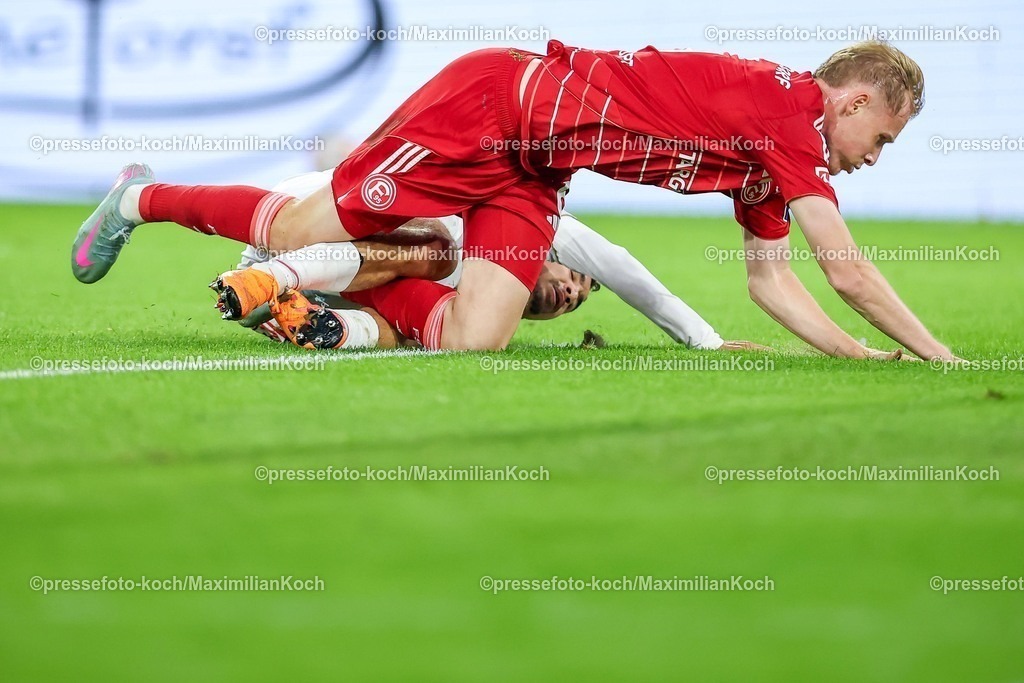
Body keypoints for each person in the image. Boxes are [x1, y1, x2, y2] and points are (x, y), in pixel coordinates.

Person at [71, 40, 955, 360]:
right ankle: (141, 199)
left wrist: (854, 357)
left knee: (476, 339)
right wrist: (936, 357)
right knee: (300, 224)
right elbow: (847, 270)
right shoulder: (787, 116)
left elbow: (775, 280)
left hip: (534, 168)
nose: (872, 158)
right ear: (853, 101)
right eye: (880, 138)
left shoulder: (776, 159)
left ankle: (333, 308)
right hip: (490, 110)